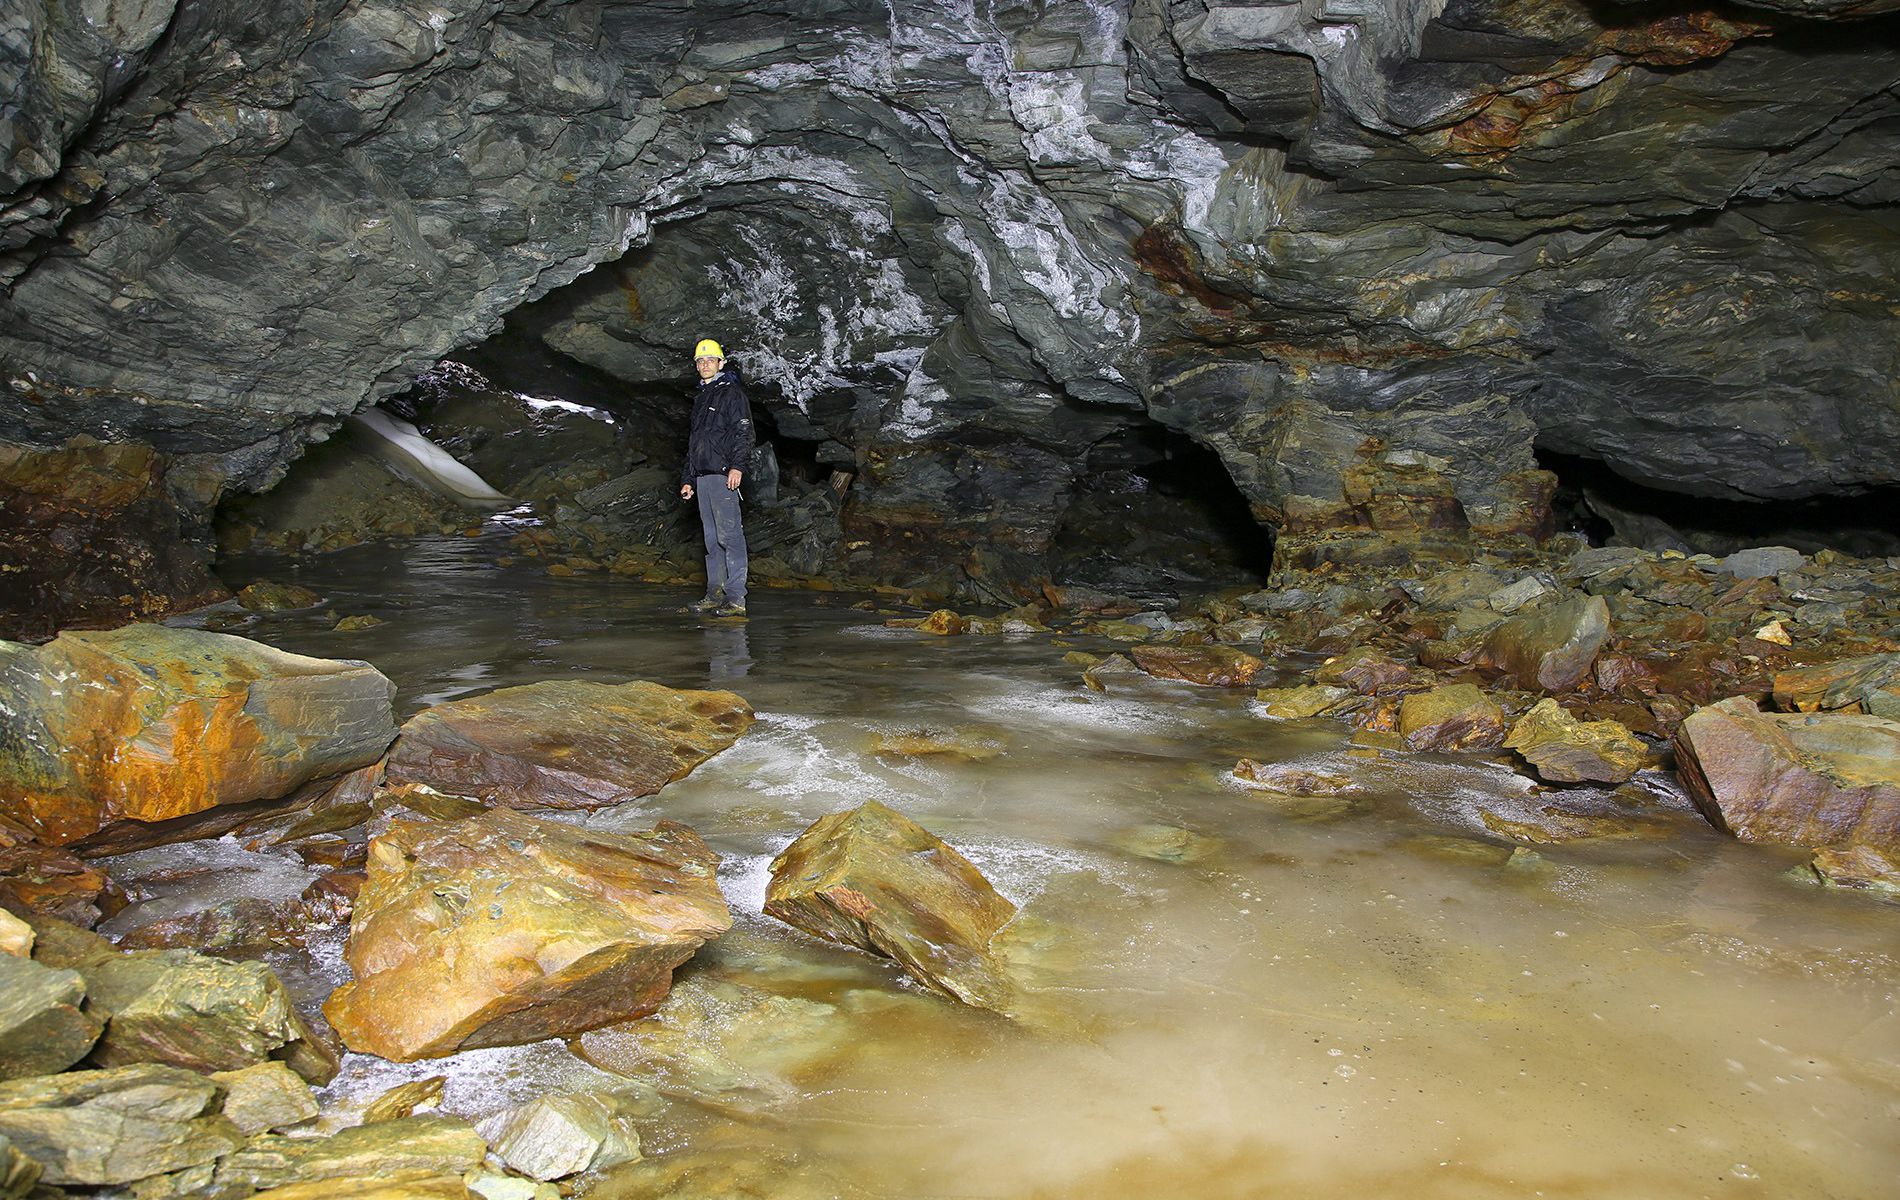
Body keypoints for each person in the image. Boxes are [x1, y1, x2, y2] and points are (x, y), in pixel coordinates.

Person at [679, 338, 754, 616]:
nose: (705, 364)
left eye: (710, 360)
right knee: (712, 540)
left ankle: (736, 598)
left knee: (730, 536)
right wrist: (688, 478)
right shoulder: (701, 398)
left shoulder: (732, 394)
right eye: (700, 361)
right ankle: (715, 593)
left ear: (721, 363)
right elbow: (694, 442)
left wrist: (738, 467)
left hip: (724, 476)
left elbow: (743, 432)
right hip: (702, 477)